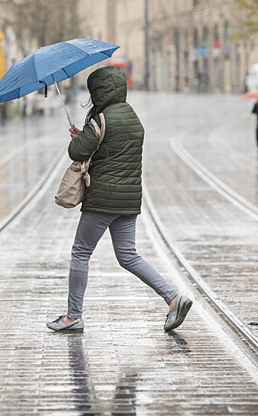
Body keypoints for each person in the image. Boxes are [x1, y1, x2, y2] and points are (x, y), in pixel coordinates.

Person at [46, 66, 192, 333]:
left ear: (99, 91)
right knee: (128, 255)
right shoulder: (132, 117)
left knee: (80, 253)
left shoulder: (100, 119)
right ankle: (173, 298)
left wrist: (80, 138)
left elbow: (75, 153)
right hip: (129, 200)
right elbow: (112, 149)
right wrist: (87, 136)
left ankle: (72, 316)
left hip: (103, 199)